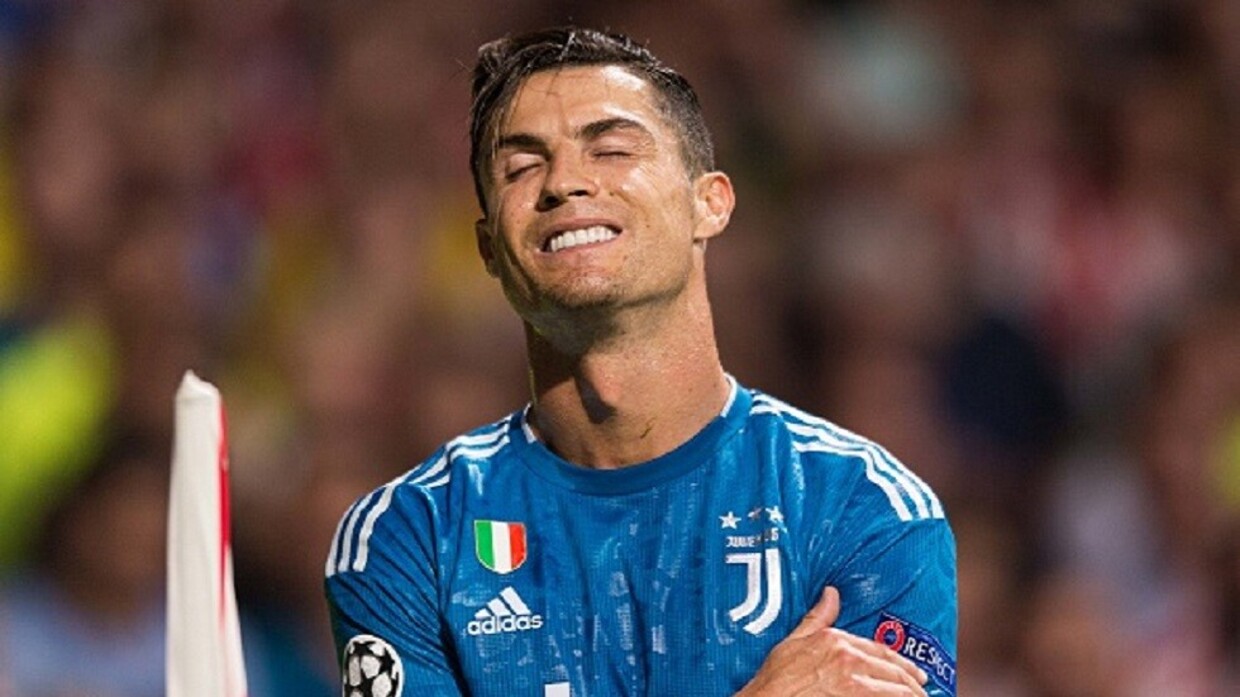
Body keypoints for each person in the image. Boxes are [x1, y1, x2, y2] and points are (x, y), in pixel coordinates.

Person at [324, 26, 956, 697]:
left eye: (611, 149)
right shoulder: (410, 536)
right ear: (488, 248)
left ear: (709, 203)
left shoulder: (861, 508)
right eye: (521, 168)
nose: (564, 182)